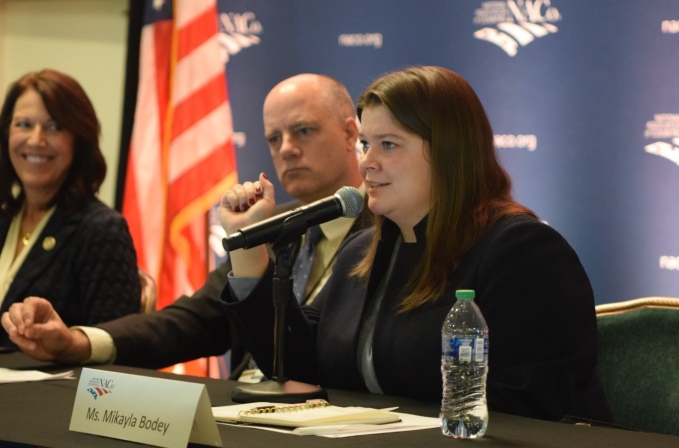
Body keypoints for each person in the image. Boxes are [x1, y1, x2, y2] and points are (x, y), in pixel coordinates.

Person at [219, 66, 612, 422]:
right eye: (365, 144)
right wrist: (249, 251)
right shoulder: (360, 253)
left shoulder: (522, 252)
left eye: (388, 144)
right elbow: (298, 366)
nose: (367, 163)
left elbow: (531, 409)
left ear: (447, 152)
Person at [1, 74, 371, 377]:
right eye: (274, 138)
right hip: (245, 411)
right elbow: (193, 322)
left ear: (351, 133)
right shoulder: (271, 226)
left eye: (303, 131)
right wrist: (78, 342)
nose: (286, 148)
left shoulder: (391, 229)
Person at [0, 69, 140, 348]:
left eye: (54, 127)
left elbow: (117, 351)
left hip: (51, 390)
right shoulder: (5, 217)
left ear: (78, 140)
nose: (36, 140)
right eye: (24, 124)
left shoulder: (101, 230)